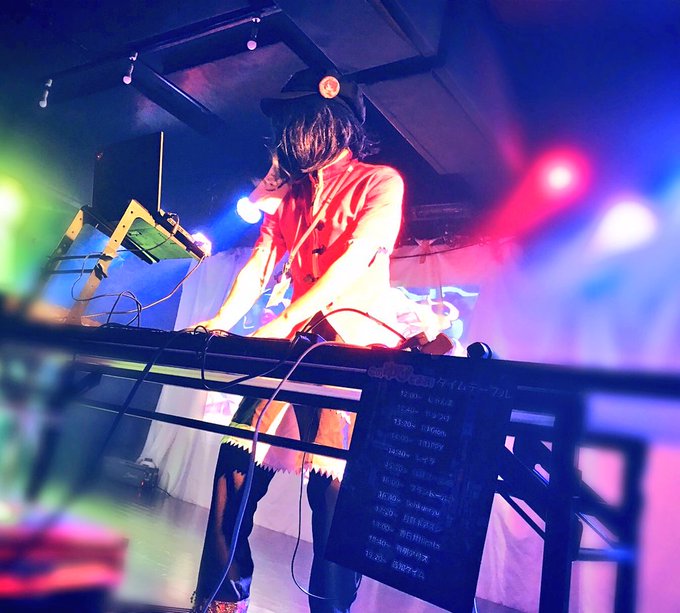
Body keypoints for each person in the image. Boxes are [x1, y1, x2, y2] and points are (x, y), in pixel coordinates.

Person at [192, 67, 405, 613]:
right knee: (235, 463)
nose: (285, 134)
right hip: (291, 349)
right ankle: (221, 597)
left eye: (293, 121)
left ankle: (331, 609)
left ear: (325, 120)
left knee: (332, 493)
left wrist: (286, 320)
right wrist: (221, 320)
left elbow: (355, 259)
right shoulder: (291, 193)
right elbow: (261, 263)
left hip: (346, 352)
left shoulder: (380, 182)